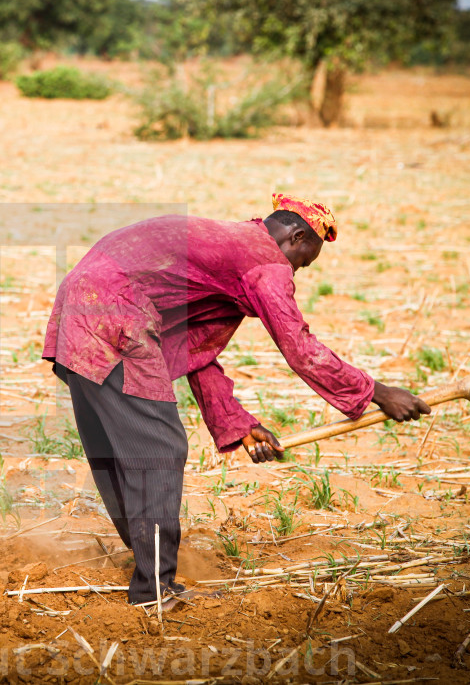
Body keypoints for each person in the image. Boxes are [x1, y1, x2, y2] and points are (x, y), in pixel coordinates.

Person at [42, 194, 430, 608]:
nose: (296, 272)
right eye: (303, 261)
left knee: (121, 449)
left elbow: (194, 352)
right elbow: (299, 346)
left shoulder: (230, 246)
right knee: (160, 448)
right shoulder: (264, 262)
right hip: (115, 316)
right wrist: (377, 393)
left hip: (80, 309)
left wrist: (239, 424)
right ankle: (153, 590)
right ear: (297, 236)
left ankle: (149, 564)